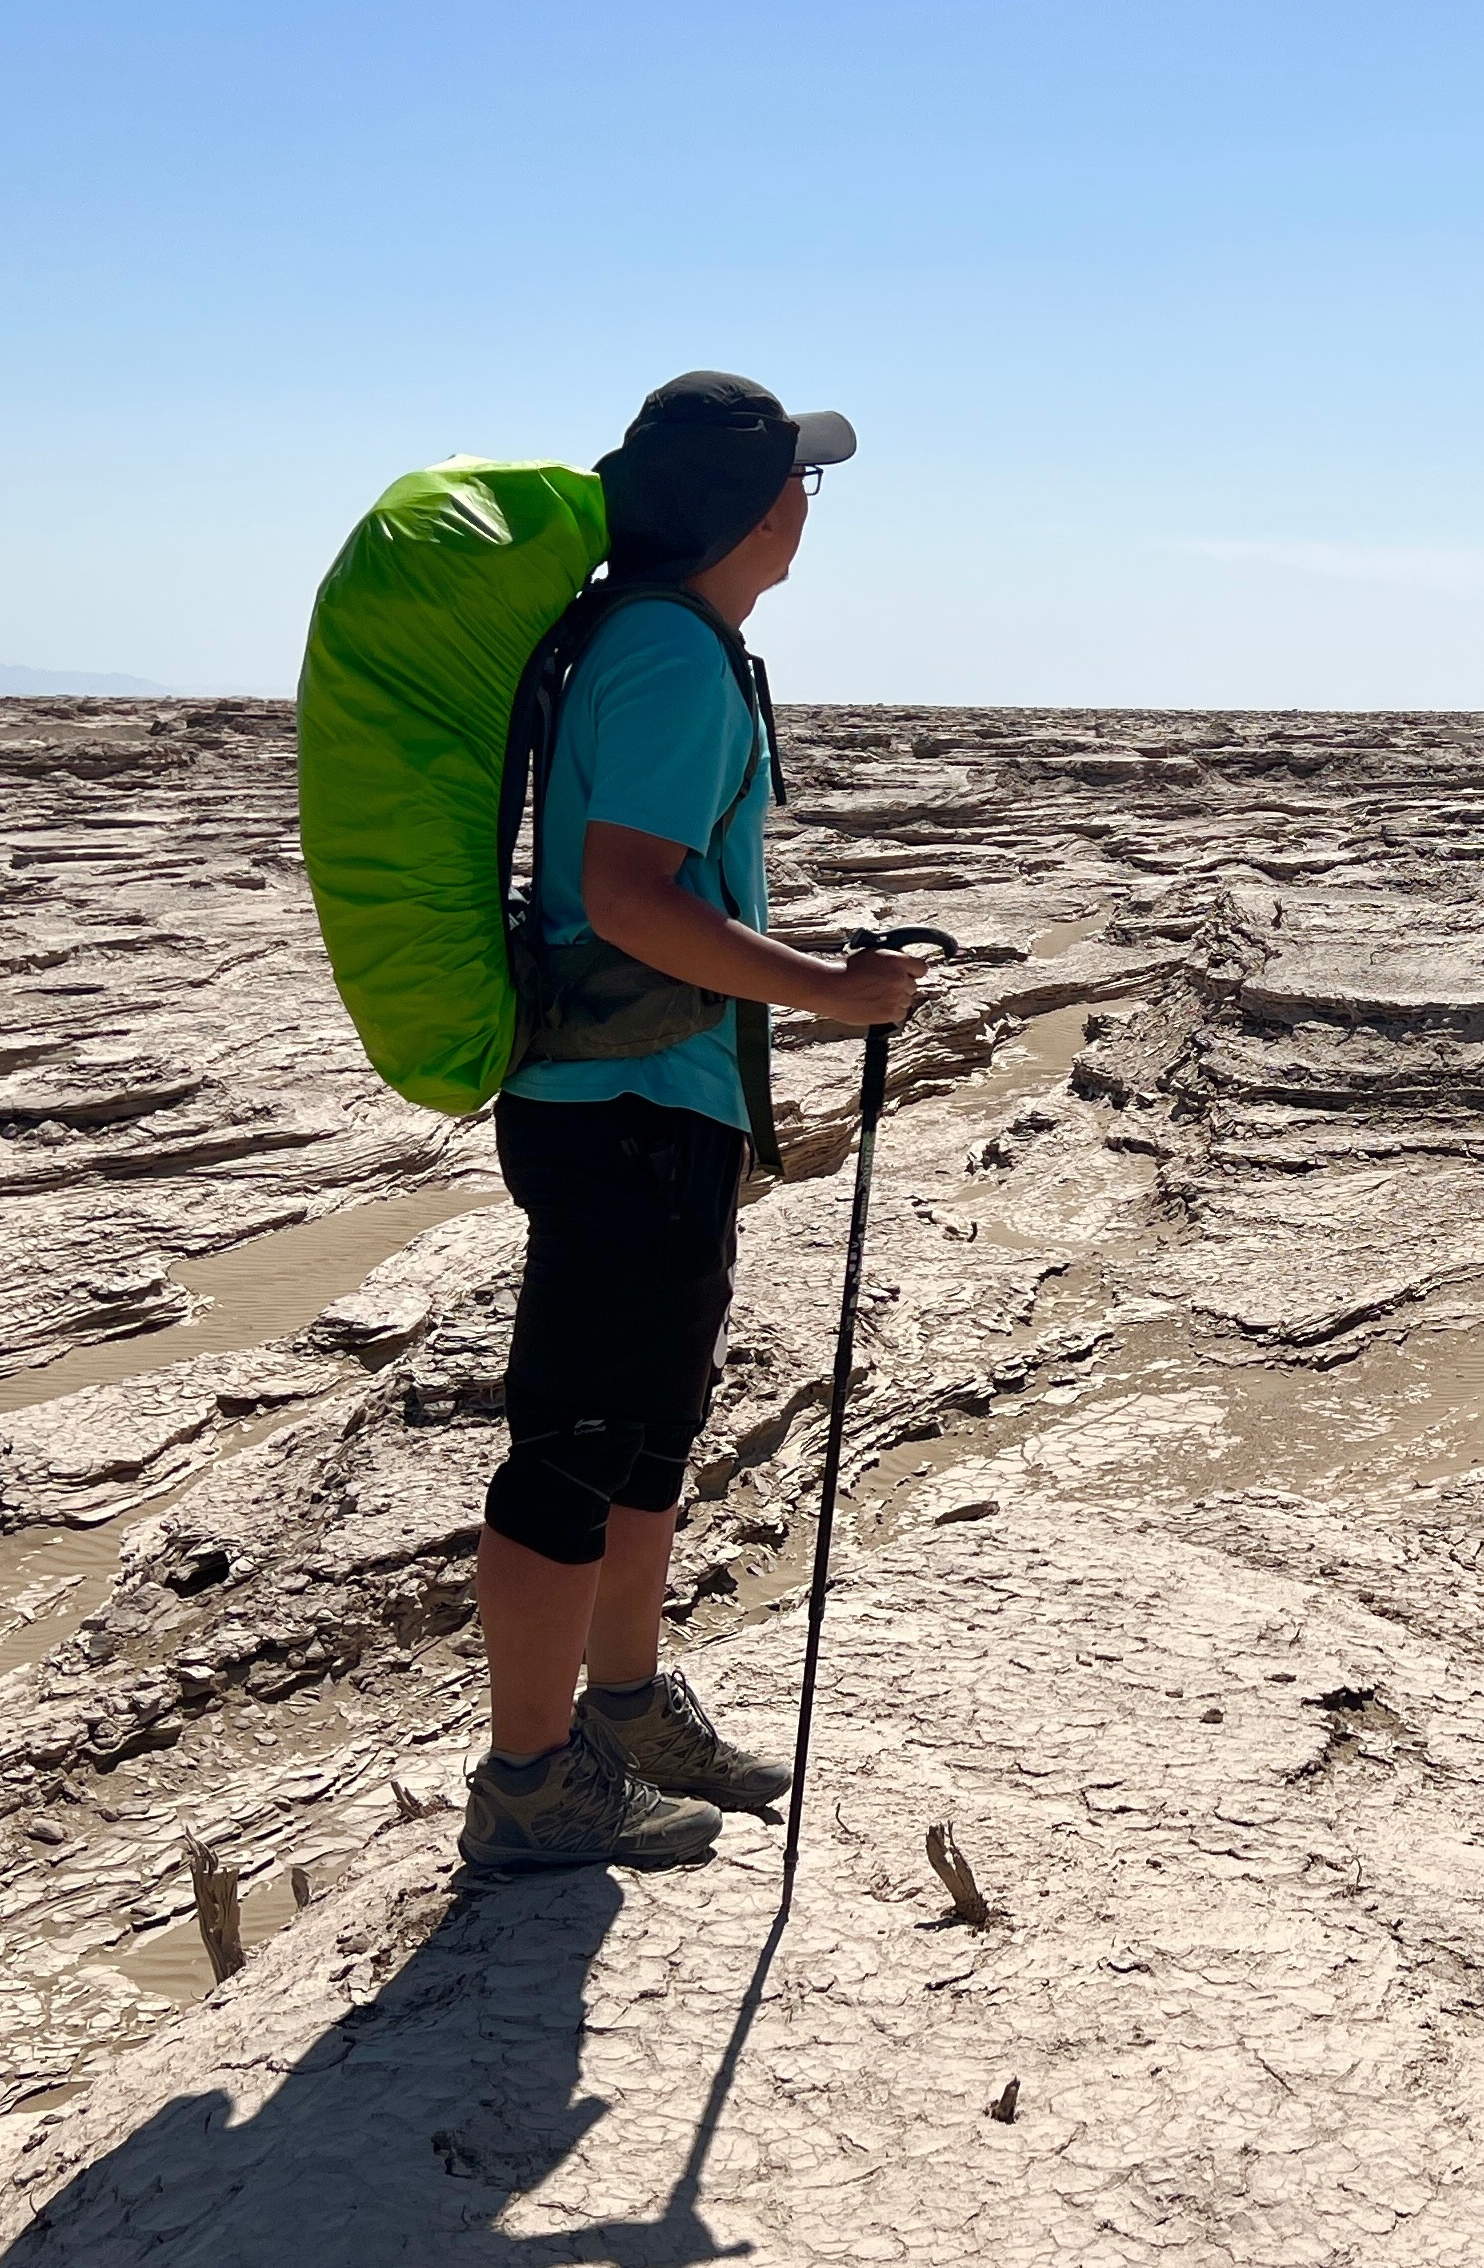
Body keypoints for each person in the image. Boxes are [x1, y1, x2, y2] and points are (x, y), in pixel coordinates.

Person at [459, 372, 925, 1869]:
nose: (807, 505)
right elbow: (629, 895)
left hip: (658, 1099)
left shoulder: (679, 643)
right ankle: (532, 1782)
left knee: (648, 1433)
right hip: (621, 1109)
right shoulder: (665, 657)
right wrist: (828, 993)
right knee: (577, 1443)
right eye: (793, 479)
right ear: (742, 506)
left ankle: (627, 1707)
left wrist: (805, 978)